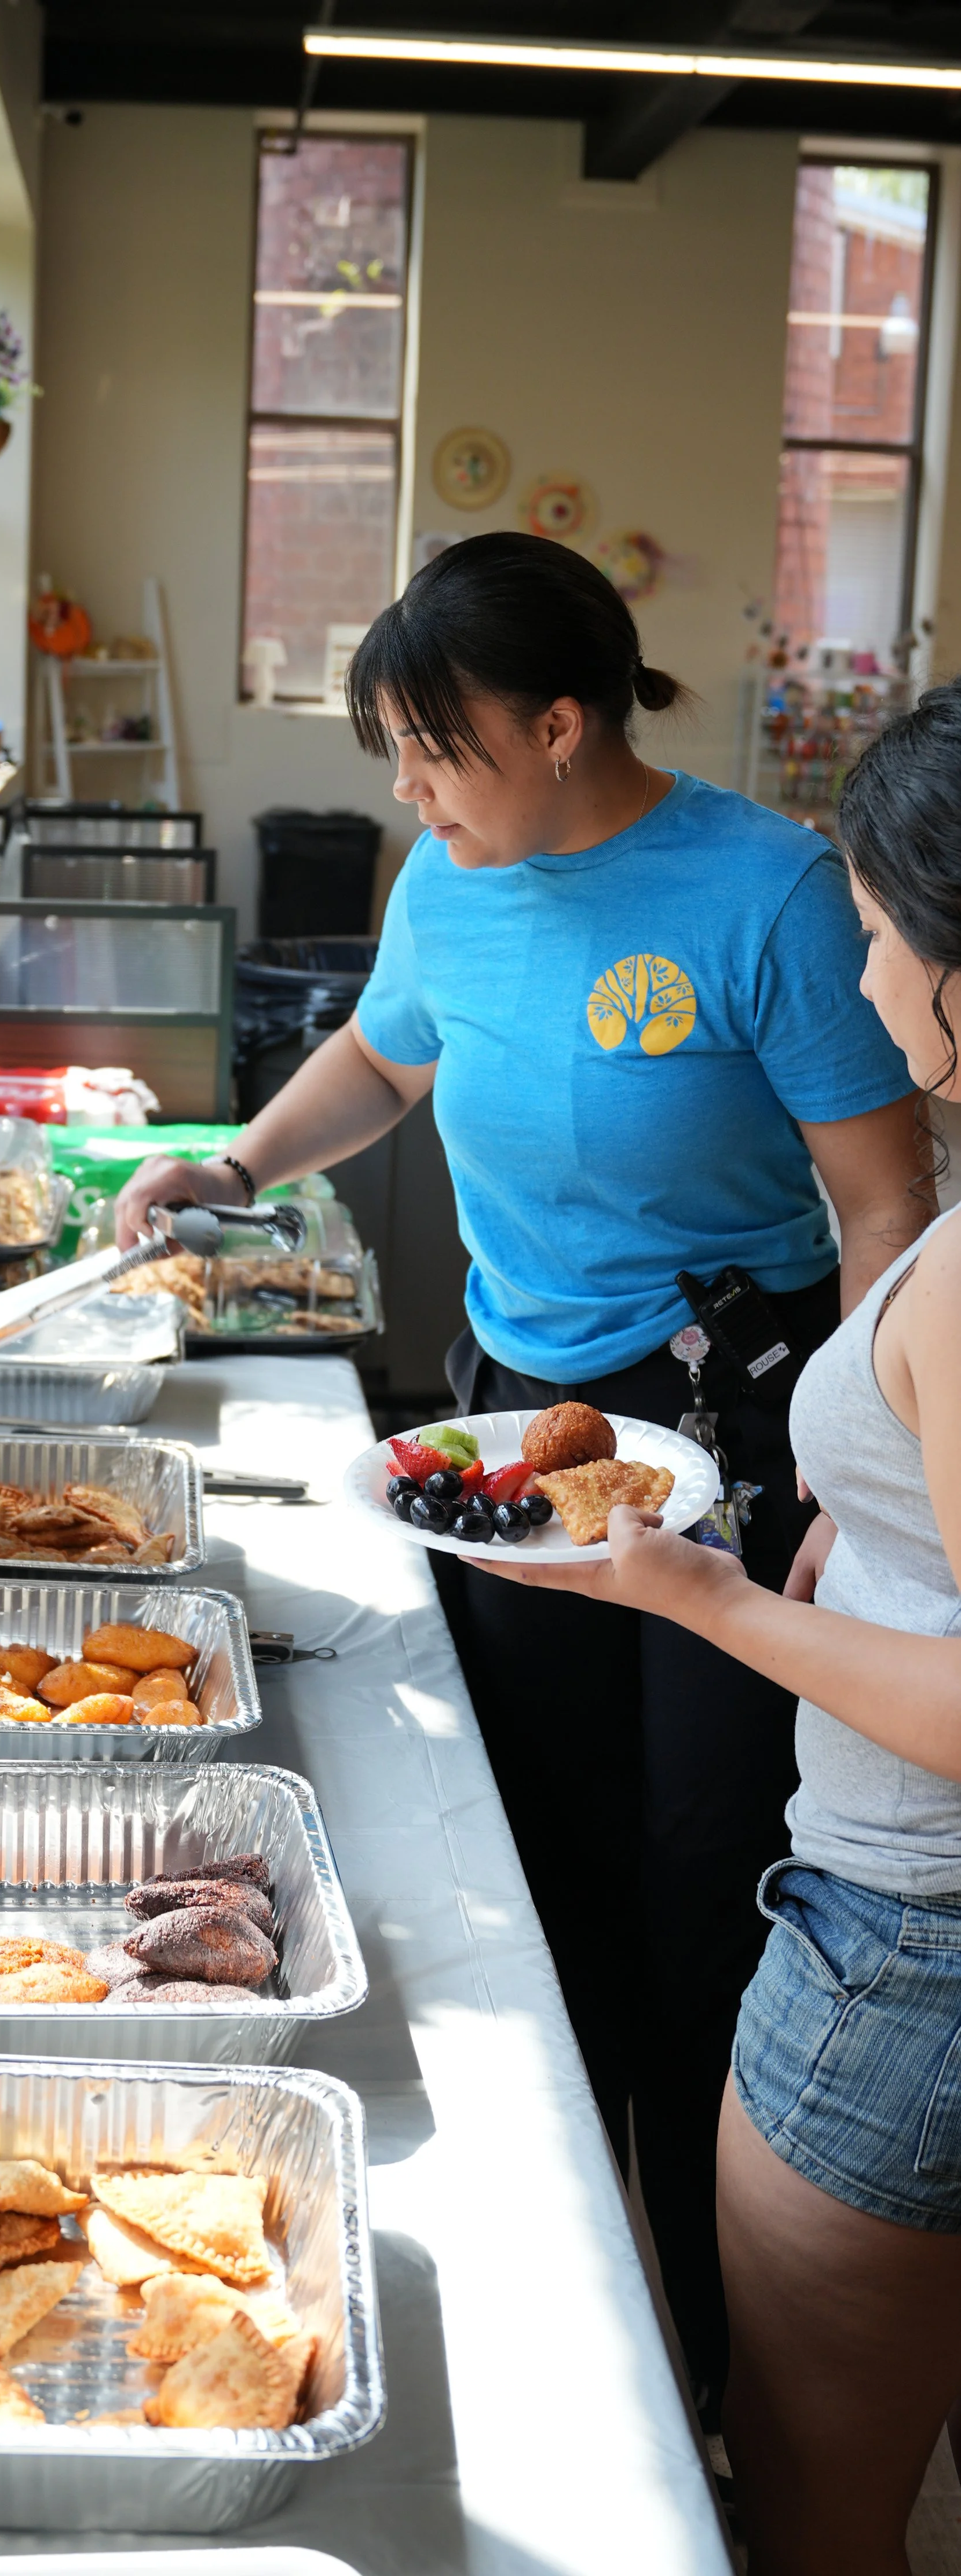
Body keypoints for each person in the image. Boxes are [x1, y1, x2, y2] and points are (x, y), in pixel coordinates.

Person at [113, 532, 926, 2415]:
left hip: (723, 1429)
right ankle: (573, 2300)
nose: (402, 788)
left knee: (701, 1866)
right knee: (531, 1838)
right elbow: (380, 1067)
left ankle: (735, 2353)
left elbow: (884, 1192)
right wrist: (233, 1167)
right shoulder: (448, 878)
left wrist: (867, 1483)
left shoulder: (764, 890)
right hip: (510, 1421)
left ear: (558, 726)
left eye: (431, 745)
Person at [464, 675, 961, 2576]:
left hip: (906, 1957)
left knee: (811, 2517)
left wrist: (695, 1592)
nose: (849, 962)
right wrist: (870, 1509)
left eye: (871, 927)